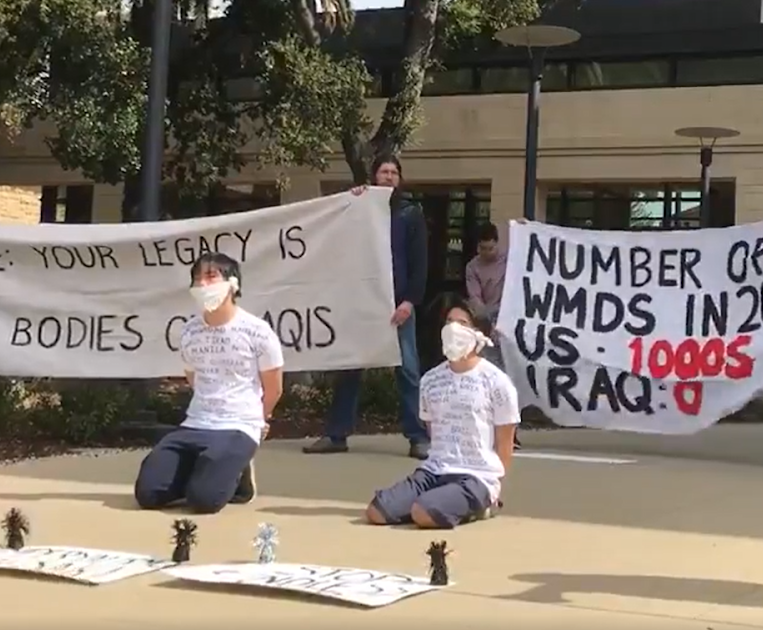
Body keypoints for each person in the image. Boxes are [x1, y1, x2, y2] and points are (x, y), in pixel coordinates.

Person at [133, 252, 283, 513]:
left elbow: (274, 387)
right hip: (196, 423)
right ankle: (202, 471)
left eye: (211, 276)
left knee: (204, 501)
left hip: (239, 426)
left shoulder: (258, 332)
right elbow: (194, 377)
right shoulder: (190, 330)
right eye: (197, 278)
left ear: (232, 284)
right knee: (148, 493)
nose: (202, 284)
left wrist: (259, 419)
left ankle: (237, 475)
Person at [304, 154, 430, 458]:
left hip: (397, 306)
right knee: (350, 368)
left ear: (400, 178)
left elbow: (419, 261)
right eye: (383, 172)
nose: (389, 176)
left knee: (408, 372)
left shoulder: (410, 214)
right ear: (374, 177)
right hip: (363, 304)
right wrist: (352, 200)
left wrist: (410, 301)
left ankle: (417, 437)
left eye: (394, 172)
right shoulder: (360, 209)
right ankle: (337, 435)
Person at [365, 295, 518, 529]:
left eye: (463, 323)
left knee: (423, 513)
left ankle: (479, 506)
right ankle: (440, 501)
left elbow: (505, 443)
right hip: (435, 470)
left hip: (477, 477)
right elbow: (433, 431)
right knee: (377, 511)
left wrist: (494, 487)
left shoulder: (497, 383)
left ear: (480, 333)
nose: (453, 329)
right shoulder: (430, 380)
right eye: (449, 321)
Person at [464, 223, 507, 322]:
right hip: (487, 315)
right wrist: (484, 317)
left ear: (497, 244)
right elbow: (475, 297)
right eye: (483, 248)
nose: (487, 252)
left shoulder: (509, 258)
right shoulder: (472, 267)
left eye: (490, 248)